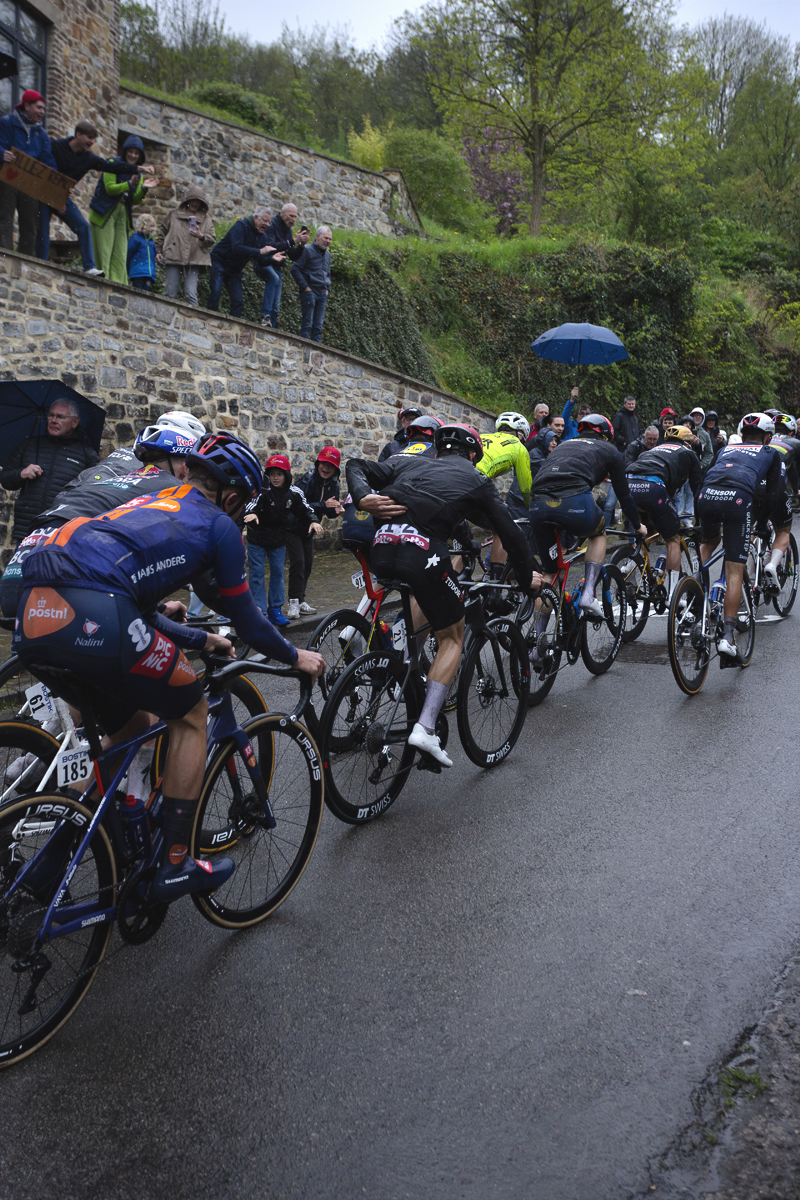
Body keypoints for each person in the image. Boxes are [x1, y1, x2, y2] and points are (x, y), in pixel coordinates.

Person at [14, 431, 325, 902]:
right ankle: (175, 863)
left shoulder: (154, 498)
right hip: (96, 611)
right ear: (234, 496)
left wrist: (200, 638)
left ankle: (42, 870)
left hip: (34, 610)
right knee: (192, 713)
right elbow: (250, 623)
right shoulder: (219, 526)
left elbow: (123, 598)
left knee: (126, 733)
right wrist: (295, 655)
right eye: (243, 505)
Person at [345, 423, 539, 768]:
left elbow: (355, 465)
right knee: (453, 635)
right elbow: (512, 536)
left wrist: (363, 496)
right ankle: (425, 726)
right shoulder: (477, 480)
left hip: (382, 549)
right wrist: (526, 580)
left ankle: (403, 664)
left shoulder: (409, 463)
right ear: (474, 455)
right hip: (420, 553)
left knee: (424, 596)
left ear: (439, 449)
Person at [0, 413, 203, 618]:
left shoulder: (120, 459)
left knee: (30, 628)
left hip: (33, 546)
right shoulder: (164, 485)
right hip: (69, 551)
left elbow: (69, 494)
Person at [528, 413, 647, 617]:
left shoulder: (564, 444)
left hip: (538, 502)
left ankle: (537, 642)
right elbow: (624, 495)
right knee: (599, 532)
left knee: (550, 573)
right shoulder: (609, 449)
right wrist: (637, 526)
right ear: (606, 434)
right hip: (573, 499)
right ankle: (589, 594)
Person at [695, 412, 781, 662]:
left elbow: (702, 480)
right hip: (737, 499)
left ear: (741, 435)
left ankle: (690, 589)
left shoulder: (726, 449)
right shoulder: (770, 452)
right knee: (734, 570)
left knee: (709, 542)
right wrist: (762, 523)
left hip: (706, 497)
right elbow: (773, 495)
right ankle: (727, 636)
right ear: (767, 437)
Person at [36, 119, 147, 275]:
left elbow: (111, 166)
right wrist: (54, 198)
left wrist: (136, 167)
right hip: (44, 195)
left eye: (94, 139)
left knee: (83, 226)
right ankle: (39, 266)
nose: (92, 142)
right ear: (78, 134)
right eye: (89, 137)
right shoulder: (56, 146)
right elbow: (43, 171)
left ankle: (89, 267)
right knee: (43, 232)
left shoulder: (88, 158)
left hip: (62, 199)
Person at [0, 397, 100, 543]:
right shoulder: (29, 444)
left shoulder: (87, 455)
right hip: (27, 529)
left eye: (60, 417)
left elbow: (93, 493)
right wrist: (21, 473)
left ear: (75, 422)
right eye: (51, 415)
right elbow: (5, 479)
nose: (53, 420)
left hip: (62, 532)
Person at [244, 453, 322, 626]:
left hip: (278, 538)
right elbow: (250, 505)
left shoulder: (294, 492)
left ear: (286, 475)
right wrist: (252, 513)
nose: (275, 478)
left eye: (279, 474)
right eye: (272, 474)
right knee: (256, 574)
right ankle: (259, 611)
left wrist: (314, 521)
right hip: (257, 537)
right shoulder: (262, 491)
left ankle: (275, 610)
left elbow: (306, 508)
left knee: (278, 574)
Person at [625, 425, 703, 599]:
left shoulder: (653, 449)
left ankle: (631, 562)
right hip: (653, 488)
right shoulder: (688, 453)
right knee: (673, 538)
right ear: (688, 442)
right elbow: (697, 490)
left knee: (647, 529)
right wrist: (700, 524)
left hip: (628, 485)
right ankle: (673, 593)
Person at [88, 135, 159, 284]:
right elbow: (110, 189)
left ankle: (118, 288)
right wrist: (128, 184)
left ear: (140, 155)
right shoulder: (112, 163)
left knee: (120, 254)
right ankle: (103, 285)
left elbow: (135, 199)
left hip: (122, 214)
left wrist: (144, 189)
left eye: (136, 153)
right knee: (104, 252)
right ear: (125, 151)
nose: (133, 155)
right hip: (105, 212)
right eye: (131, 151)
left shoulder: (138, 175)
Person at [287, 446, 344, 619]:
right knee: (298, 562)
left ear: (335, 469)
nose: (326, 468)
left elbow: (329, 510)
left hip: (309, 530)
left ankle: (301, 599)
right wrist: (322, 506)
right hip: (292, 527)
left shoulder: (334, 484)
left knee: (308, 564)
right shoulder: (307, 480)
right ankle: (293, 603)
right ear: (318, 463)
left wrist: (337, 510)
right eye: (323, 464)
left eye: (330, 465)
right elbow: (297, 506)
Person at [0, 89, 56, 258]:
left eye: (44, 109)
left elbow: (48, 161)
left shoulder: (41, 134)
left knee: (30, 223)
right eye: (39, 108)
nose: (42, 112)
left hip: (30, 183)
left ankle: (26, 259)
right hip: (7, 178)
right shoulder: (7, 122)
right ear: (27, 106)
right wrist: (2, 153)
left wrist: (55, 180)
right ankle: (5, 255)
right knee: (5, 217)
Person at [476, 412, 533, 577]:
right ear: (520, 434)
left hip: (451, 477)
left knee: (463, 541)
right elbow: (526, 490)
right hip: (475, 480)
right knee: (503, 528)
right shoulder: (519, 447)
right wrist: (535, 509)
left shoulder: (482, 436)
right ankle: (493, 581)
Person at [208, 206, 284, 319]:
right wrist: (260, 251)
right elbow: (237, 248)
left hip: (235, 270)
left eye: (269, 222)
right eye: (265, 220)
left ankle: (233, 330)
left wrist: (271, 259)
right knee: (215, 292)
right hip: (220, 261)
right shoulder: (241, 226)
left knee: (238, 301)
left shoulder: (263, 237)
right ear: (256, 218)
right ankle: (209, 320)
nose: (267, 224)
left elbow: (260, 260)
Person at [155, 185, 216, 307]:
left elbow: (212, 239)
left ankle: (194, 323)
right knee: (170, 293)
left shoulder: (206, 219)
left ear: (201, 204)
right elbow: (162, 232)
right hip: (174, 255)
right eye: (193, 200)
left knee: (191, 293)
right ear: (187, 200)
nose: (195, 203)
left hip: (195, 259)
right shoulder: (174, 214)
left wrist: (200, 235)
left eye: (198, 201)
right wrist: (158, 251)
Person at [258, 202, 310, 328]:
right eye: (291, 216)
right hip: (265, 262)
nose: (293, 219)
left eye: (295, 217)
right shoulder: (271, 225)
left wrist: (301, 245)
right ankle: (265, 317)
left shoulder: (288, 231)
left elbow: (292, 256)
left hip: (277, 267)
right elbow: (271, 246)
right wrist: (292, 241)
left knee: (276, 307)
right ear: (282, 213)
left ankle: (271, 331)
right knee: (274, 279)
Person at [290, 226, 332, 343]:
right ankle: (303, 352)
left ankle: (315, 357)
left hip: (322, 293)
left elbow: (327, 272)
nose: (328, 241)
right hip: (310, 291)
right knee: (307, 324)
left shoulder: (328, 254)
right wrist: (305, 287)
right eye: (325, 238)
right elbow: (294, 269)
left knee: (318, 327)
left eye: (329, 239)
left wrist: (327, 289)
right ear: (318, 236)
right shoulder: (307, 250)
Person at [127, 212, 158, 291]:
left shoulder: (151, 242)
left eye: (154, 226)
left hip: (148, 274)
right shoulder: (135, 238)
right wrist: (128, 269)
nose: (153, 229)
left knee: (145, 296)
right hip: (137, 273)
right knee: (137, 293)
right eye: (151, 226)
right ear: (143, 225)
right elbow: (129, 254)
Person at [688, 406, 715, 470]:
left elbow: (709, 454)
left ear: (703, 418)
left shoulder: (705, 435)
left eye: (700, 416)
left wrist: (701, 466)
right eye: (695, 415)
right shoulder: (683, 430)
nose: (697, 417)